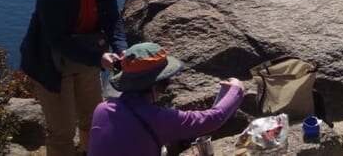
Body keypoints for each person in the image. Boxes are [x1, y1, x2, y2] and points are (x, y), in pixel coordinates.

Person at [20, 0, 136, 156]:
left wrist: (121, 49)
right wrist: (98, 58)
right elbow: (56, 39)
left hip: (85, 58)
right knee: (61, 131)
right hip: (51, 64)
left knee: (94, 120)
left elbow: (112, 18)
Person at [88, 41, 244, 156]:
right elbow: (212, 119)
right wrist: (236, 90)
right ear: (155, 87)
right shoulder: (157, 119)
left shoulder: (101, 110)